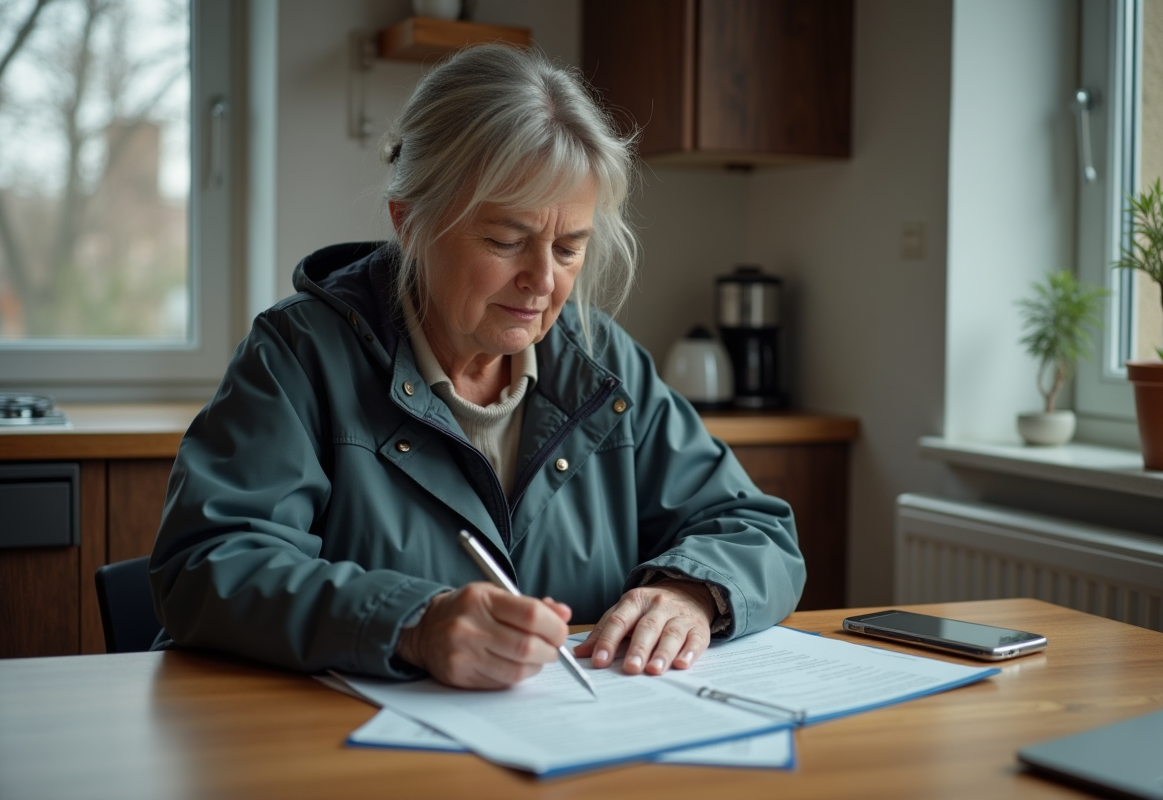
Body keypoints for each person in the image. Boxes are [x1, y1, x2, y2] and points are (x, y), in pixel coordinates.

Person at [149, 44, 805, 689]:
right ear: (409, 223)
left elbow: (758, 531)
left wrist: (692, 591)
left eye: (570, 247)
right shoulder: (297, 356)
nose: (543, 281)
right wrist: (413, 623)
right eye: (506, 241)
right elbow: (208, 565)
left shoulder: (604, 365)